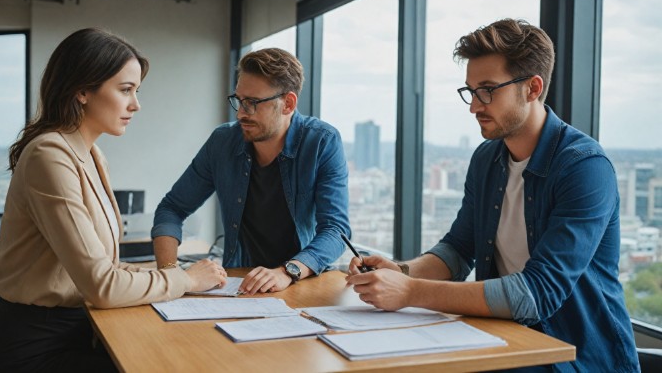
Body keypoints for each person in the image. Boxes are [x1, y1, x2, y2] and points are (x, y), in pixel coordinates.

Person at [346, 19, 639, 371]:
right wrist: (403, 270)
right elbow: (458, 249)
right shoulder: (487, 158)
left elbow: (537, 293)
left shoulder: (584, 167)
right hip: (503, 344)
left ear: (532, 88)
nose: (474, 106)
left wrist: (409, 292)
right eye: (470, 91)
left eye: (487, 90)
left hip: (575, 358)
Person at [0, 28, 227, 373]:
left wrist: (178, 277)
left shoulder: (92, 154)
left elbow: (105, 267)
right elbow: (102, 285)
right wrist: (184, 280)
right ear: (82, 90)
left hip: (82, 328)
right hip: (36, 350)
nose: (135, 104)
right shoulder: (49, 154)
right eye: (125, 90)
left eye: (136, 91)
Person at [152, 48, 350, 295]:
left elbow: (336, 229)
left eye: (252, 103)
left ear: (288, 103)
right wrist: (170, 274)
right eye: (239, 100)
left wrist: (287, 271)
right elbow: (172, 207)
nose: (240, 112)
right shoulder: (222, 142)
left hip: (303, 282)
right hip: (239, 284)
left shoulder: (321, 142)